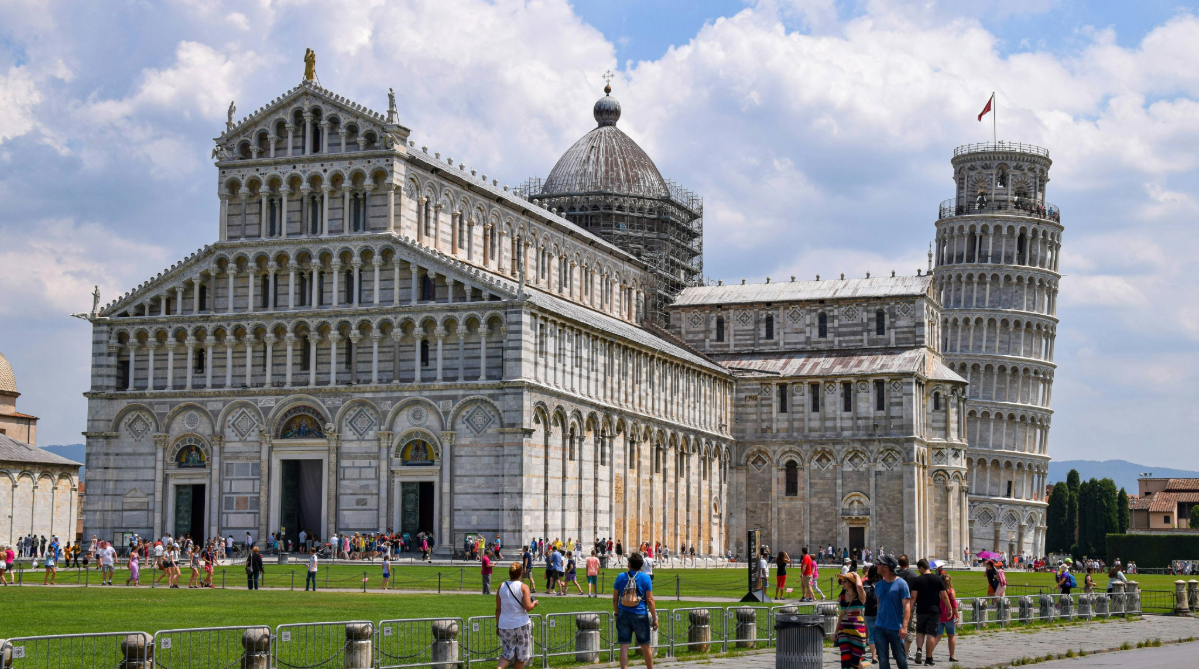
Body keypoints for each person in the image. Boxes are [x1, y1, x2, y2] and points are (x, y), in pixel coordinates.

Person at [613, 553, 657, 669]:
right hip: (640, 613)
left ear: (630, 564)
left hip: (623, 613)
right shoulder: (646, 578)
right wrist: (654, 618)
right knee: (646, 646)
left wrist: (617, 613)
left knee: (624, 645)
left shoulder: (620, 576)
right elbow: (650, 600)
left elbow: (615, 599)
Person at [496, 561, 539, 669]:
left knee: (507, 653)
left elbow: (498, 609)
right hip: (521, 624)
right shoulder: (523, 587)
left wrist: (497, 625)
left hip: (505, 625)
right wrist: (534, 603)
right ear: (520, 574)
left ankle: (499, 668)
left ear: (509, 573)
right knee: (521, 656)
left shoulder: (501, 586)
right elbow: (528, 607)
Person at [872, 554, 911, 669]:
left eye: (879, 564)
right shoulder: (878, 585)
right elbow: (879, 604)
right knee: (883, 660)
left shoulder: (901, 584)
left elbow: (907, 606)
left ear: (886, 567)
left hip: (896, 628)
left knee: (900, 659)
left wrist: (904, 626)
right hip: (880, 627)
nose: (876, 566)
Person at [910, 558, 950, 666]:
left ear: (922, 568)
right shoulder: (937, 579)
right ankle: (928, 658)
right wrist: (949, 608)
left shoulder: (917, 580)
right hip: (934, 610)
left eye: (919, 569)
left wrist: (909, 609)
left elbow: (913, 596)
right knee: (931, 634)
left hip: (921, 610)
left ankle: (919, 649)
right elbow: (944, 596)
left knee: (920, 631)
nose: (919, 571)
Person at [837, 571, 869, 668]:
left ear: (851, 583)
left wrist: (857, 576)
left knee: (855, 661)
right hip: (843, 632)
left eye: (844, 581)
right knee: (845, 660)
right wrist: (836, 631)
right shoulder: (842, 596)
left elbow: (859, 587)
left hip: (858, 634)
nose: (842, 583)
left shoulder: (861, 597)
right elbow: (841, 615)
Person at [895, 556, 918, 661]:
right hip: (909, 605)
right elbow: (914, 595)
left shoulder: (894, 575)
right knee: (909, 629)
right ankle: (905, 651)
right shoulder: (913, 575)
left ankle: (898, 650)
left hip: (896, 606)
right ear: (908, 564)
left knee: (896, 628)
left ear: (899, 564)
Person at [935, 573, 959, 664]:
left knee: (937, 636)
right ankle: (952, 655)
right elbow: (954, 605)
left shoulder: (937, 591)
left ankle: (929, 654)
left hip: (939, 616)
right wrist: (957, 616)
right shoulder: (951, 591)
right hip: (949, 616)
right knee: (951, 635)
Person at [863, 565, 881, 666]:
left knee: (871, 633)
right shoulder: (880, 583)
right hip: (879, 611)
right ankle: (879, 652)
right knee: (879, 633)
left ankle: (874, 656)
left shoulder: (865, 583)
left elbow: (864, 597)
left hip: (868, 611)